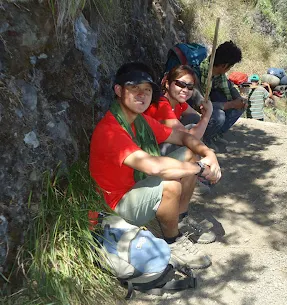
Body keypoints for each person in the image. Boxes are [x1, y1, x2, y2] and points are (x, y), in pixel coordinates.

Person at [89, 62, 221, 270]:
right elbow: (154, 167)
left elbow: (181, 136)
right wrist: (200, 168)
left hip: (135, 187)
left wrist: (208, 153)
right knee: (170, 184)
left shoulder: (141, 122)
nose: (142, 95)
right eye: (134, 89)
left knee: (190, 152)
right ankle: (173, 240)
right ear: (118, 90)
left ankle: (180, 218)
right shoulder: (110, 130)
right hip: (114, 204)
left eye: (147, 90)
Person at [188, 40, 245, 151]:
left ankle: (214, 135)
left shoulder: (219, 76)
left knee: (240, 106)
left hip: (211, 106)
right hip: (195, 112)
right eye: (230, 67)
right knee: (219, 116)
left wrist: (239, 99)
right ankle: (205, 139)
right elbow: (200, 104)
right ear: (224, 66)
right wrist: (231, 104)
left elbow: (230, 87)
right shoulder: (197, 74)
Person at [144, 65, 213, 155]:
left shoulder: (179, 102)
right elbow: (191, 139)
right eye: (181, 84)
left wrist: (203, 115)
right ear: (167, 84)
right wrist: (207, 116)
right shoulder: (162, 105)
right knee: (192, 131)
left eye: (190, 87)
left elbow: (196, 117)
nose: (185, 90)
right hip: (150, 151)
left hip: (163, 143)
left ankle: (193, 157)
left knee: (194, 118)